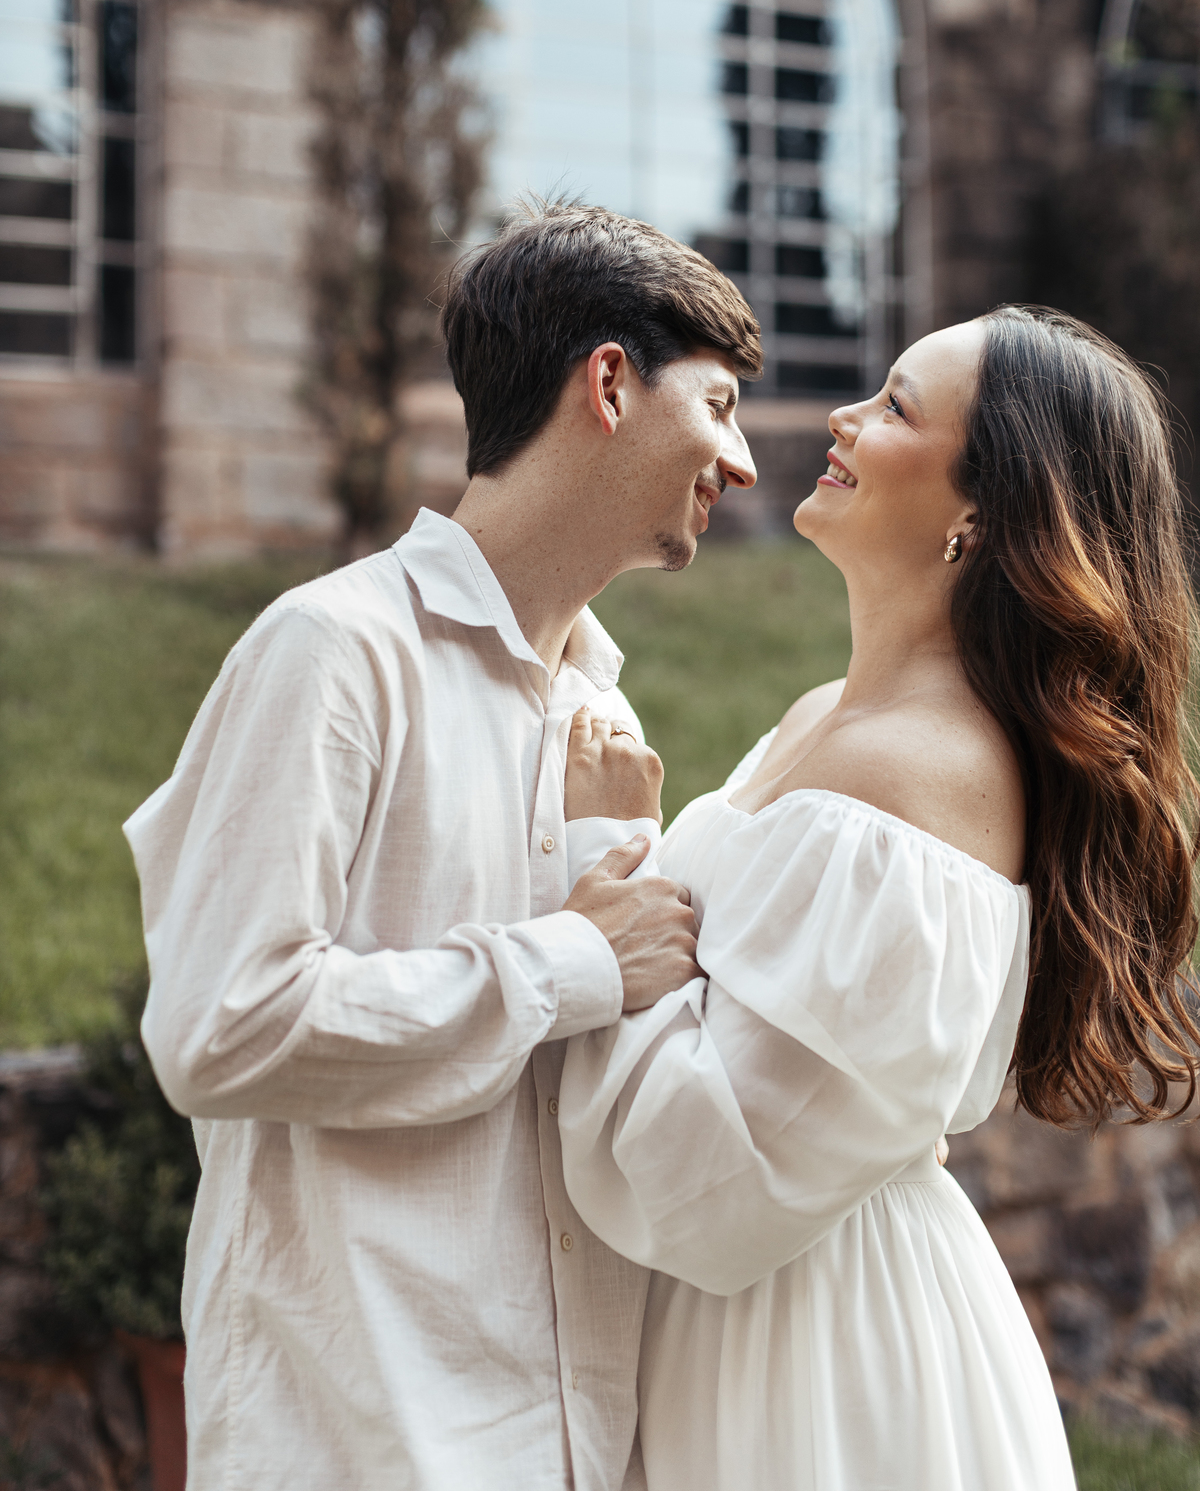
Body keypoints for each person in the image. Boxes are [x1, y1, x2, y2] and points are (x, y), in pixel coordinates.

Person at [125, 200, 762, 1491]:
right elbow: (221, 1023)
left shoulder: (607, 719)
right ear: (609, 383)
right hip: (359, 1444)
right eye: (720, 406)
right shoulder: (334, 654)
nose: (741, 462)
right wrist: (571, 958)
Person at [556, 306, 1200, 1491]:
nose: (845, 421)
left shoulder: (921, 778)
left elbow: (707, 1193)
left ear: (982, 516)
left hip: (813, 1365)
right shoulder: (823, 717)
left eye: (898, 406)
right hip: (727, 1331)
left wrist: (604, 850)